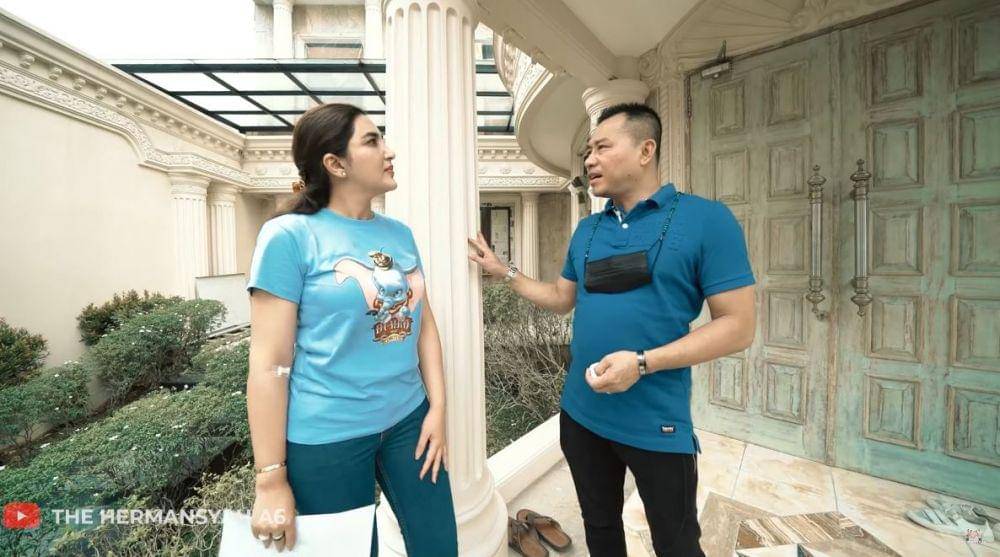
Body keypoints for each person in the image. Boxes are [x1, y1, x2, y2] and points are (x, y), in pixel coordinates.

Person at [468, 103, 756, 557]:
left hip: (657, 424)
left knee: (677, 544)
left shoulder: (707, 220)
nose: (589, 159)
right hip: (581, 417)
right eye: (588, 151)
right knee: (600, 529)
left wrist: (641, 363)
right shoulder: (587, 230)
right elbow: (562, 298)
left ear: (646, 150)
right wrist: (504, 271)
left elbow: (738, 326)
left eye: (602, 147)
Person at [246, 103, 458, 556]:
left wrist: (438, 407)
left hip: (410, 420)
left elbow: (424, 325)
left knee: (440, 546)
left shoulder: (399, 234)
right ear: (336, 164)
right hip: (327, 437)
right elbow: (269, 365)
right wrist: (270, 479)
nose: (389, 151)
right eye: (373, 141)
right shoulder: (289, 237)